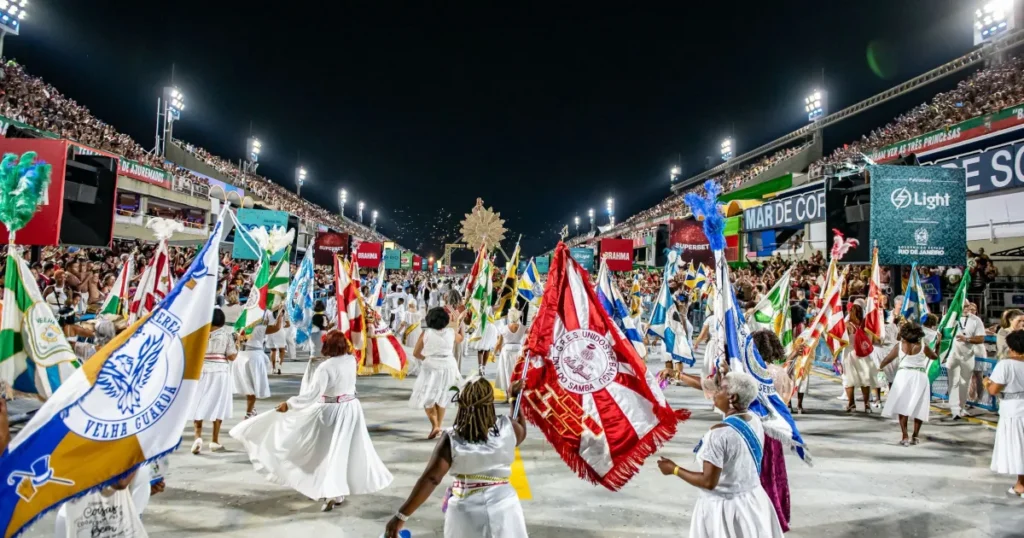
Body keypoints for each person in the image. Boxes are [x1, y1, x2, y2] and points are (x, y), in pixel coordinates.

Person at [230, 331, 392, 512]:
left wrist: (289, 404)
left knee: (321, 450)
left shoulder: (325, 367)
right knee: (342, 450)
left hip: (331, 411)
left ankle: (331, 490)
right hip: (352, 408)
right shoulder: (351, 360)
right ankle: (336, 490)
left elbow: (312, 395)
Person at [384, 377, 528, 538]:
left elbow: (432, 478)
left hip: (466, 510)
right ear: (490, 402)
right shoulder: (509, 428)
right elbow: (520, 429)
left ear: (461, 402)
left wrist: (401, 516)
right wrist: (513, 398)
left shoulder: (452, 438)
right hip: (505, 507)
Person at [656, 370, 785, 538]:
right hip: (753, 501)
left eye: (721, 388)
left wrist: (673, 469)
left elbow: (708, 482)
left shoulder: (719, 435)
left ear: (732, 397)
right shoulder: (754, 420)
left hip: (725, 510)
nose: (715, 392)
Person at [879, 322, 939, 446]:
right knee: (920, 406)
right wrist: (938, 345)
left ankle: (905, 436)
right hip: (919, 376)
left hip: (903, 376)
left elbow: (887, 359)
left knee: (902, 406)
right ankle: (915, 436)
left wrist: (879, 367)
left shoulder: (899, 346)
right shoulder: (923, 346)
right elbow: (934, 357)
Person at [409, 307, 465, 439]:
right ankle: (438, 427)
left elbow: (416, 353)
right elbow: (461, 339)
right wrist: (461, 324)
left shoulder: (426, 333)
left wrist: (426, 358)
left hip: (431, 367)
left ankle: (435, 426)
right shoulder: (451, 332)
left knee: (427, 398)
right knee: (443, 398)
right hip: (449, 366)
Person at [189, 308, 238, 454]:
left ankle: (197, 437)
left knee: (198, 403)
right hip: (220, 372)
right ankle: (215, 441)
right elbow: (232, 356)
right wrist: (238, 345)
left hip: (201, 369)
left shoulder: (200, 333)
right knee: (218, 404)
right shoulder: (226, 334)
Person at [984, 329, 1024, 497]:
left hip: (1013, 410)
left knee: (1018, 447)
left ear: (1011, 347)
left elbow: (994, 390)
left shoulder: (1006, 365)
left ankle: (1021, 485)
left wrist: (986, 382)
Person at [234, 313, 278, 419]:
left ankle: (251, 409)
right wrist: (281, 314)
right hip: (254, 357)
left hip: (241, 356)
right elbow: (276, 327)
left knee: (247, 386)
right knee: (252, 388)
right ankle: (249, 413)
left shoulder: (239, 327)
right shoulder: (259, 328)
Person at [948, 301, 986, 419]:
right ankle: (955, 409)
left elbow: (981, 339)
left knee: (965, 383)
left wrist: (967, 339)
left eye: (967, 306)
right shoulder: (949, 317)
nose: (966, 308)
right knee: (954, 381)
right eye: (963, 306)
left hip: (968, 355)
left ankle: (961, 407)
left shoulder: (976, 320)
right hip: (952, 355)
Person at [842, 303, 877, 413]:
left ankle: (851, 404)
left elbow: (841, 340)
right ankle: (867, 405)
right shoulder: (866, 325)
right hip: (863, 354)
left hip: (849, 353)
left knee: (849, 379)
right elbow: (871, 341)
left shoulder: (847, 325)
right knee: (865, 379)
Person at [494, 308, 526, 401]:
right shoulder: (523, 328)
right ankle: (518, 393)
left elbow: (498, 343)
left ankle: (509, 394)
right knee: (518, 373)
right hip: (519, 350)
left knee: (506, 373)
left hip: (507, 351)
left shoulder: (504, 328)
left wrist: (494, 353)